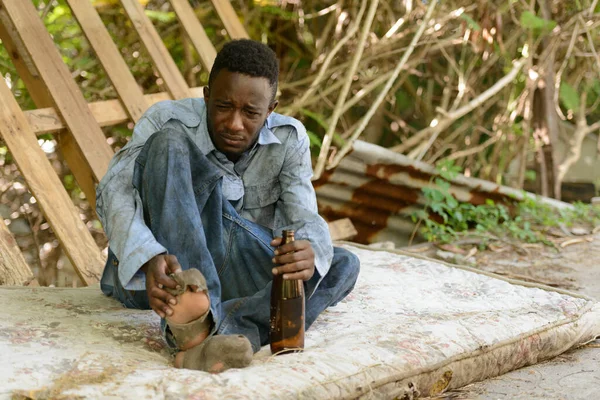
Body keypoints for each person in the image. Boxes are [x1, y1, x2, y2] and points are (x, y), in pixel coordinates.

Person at [96, 39, 360, 373]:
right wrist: (147, 257)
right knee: (169, 143)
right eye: (223, 106)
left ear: (271, 109)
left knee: (339, 263)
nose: (235, 124)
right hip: (162, 277)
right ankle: (192, 328)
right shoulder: (166, 121)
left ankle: (230, 329)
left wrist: (308, 252)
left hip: (230, 261)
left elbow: (303, 215)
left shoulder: (290, 139)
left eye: (251, 113)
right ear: (206, 96)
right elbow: (113, 194)